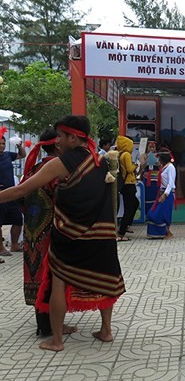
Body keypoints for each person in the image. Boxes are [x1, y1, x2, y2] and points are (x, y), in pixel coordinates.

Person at [0, 115, 125, 352]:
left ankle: (56, 340)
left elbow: (24, 189)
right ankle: (106, 330)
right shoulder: (100, 161)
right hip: (102, 233)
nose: (58, 141)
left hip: (70, 235)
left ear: (73, 137)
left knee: (59, 281)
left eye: (61, 136)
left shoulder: (60, 164)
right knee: (106, 278)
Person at [20, 129, 66, 336]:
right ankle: (51, 326)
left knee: (36, 272)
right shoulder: (56, 169)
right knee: (52, 275)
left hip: (31, 229)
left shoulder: (34, 168)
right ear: (58, 144)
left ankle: (44, 324)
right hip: (50, 229)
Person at [0, 133, 26, 257]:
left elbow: (22, 155)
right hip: (0, 196)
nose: (2, 146)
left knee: (17, 220)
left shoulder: (7, 155)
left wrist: (19, 146)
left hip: (11, 194)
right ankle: (1, 248)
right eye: (0, 143)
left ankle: (15, 245)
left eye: (3, 143)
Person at [146, 152, 176, 239]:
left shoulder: (170, 167)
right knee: (153, 213)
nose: (158, 161)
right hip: (162, 192)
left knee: (161, 214)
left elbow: (170, 183)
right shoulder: (164, 167)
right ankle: (163, 232)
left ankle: (167, 232)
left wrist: (165, 194)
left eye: (159, 159)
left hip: (168, 193)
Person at [117, 135, 140, 241]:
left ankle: (125, 226)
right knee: (129, 208)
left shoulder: (120, 154)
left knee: (135, 203)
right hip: (129, 184)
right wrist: (136, 165)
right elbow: (130, 169)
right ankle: (121, 232)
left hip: (125, 184)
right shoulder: (126, 154)